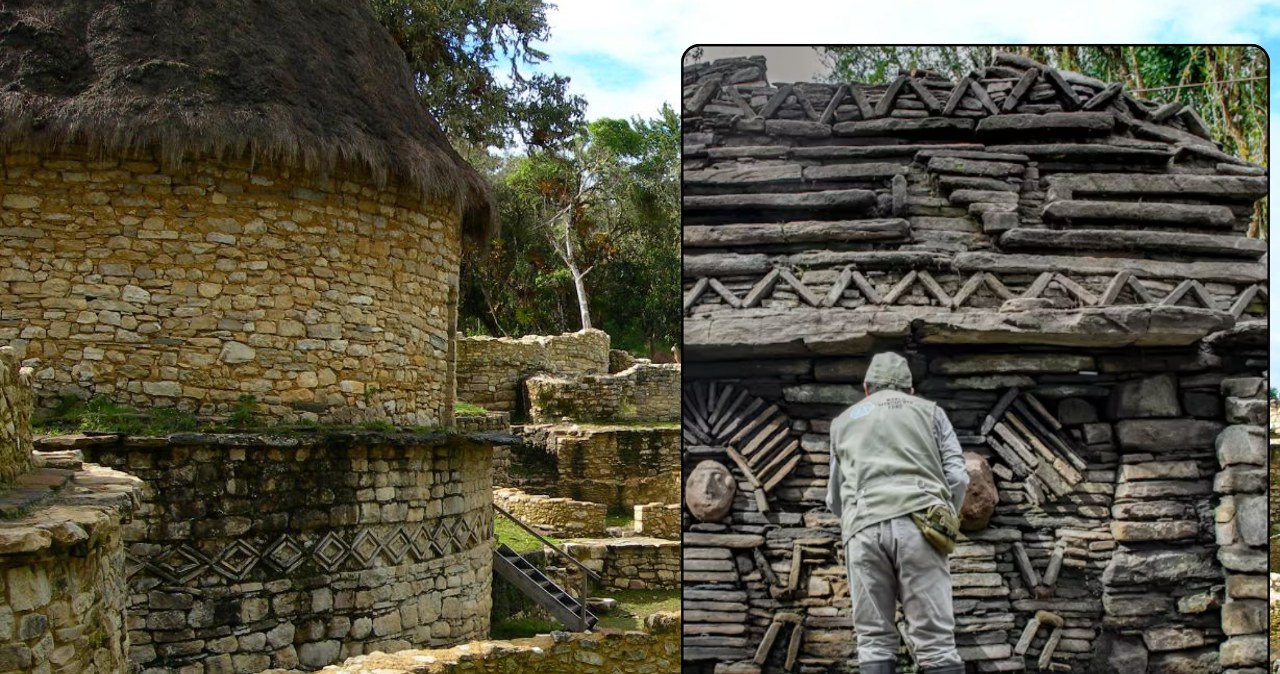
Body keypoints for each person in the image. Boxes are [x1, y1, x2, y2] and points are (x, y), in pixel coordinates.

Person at [825, 351, 969, 674]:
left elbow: (835, 500)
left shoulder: (843, 422)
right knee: (936, 644)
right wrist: (946, 516)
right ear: (910, 391)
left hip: (862, 528)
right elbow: (959, 477)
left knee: (874, 640)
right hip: (921, 524)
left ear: (866, 389)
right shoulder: (931, 412)